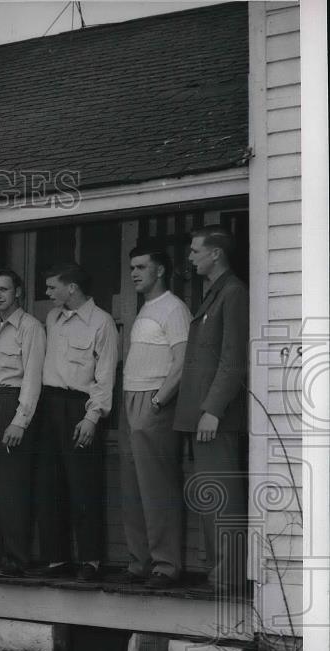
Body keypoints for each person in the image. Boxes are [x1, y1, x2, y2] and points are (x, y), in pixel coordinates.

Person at [174, 225, 249, 595]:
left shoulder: (233, 293)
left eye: (195, 250)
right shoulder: (214, 294)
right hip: (201, 416)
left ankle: (228, 577)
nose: (190, 257)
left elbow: (234, 360)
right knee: (210, 495)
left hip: (214, 418)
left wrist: (213, 409)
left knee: (222, 496)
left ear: (215, 253)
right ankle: (219, 574)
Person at [32, 264, 117, 582]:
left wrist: (92, 417)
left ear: (72, 288)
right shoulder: (53, 319)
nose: (48, 293)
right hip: (49, 406)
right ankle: (56, 558)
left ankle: (90, 560)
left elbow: (105, 375)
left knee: (84, 485)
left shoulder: (102, 322)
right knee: (49, 484)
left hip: (79, 409)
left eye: (52, 287)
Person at [120, 246, 190, 588]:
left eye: (141, 266)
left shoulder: (174, 308)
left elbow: (183, 361)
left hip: (154, 401)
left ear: (160, 270)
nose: (134, 273)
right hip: (131, 398)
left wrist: (159, 401)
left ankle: (166, 566)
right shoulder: (146, 307)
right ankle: (140, 562)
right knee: (133, 488)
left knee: (157, 487)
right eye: (132, 267)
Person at [0, 269, 45, 577]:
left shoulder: (30, 328)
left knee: (13, 487)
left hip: (14, 405)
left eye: (4, 289)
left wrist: (20, 421)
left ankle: (17, 558)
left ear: (18, 292)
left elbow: (32, 377)